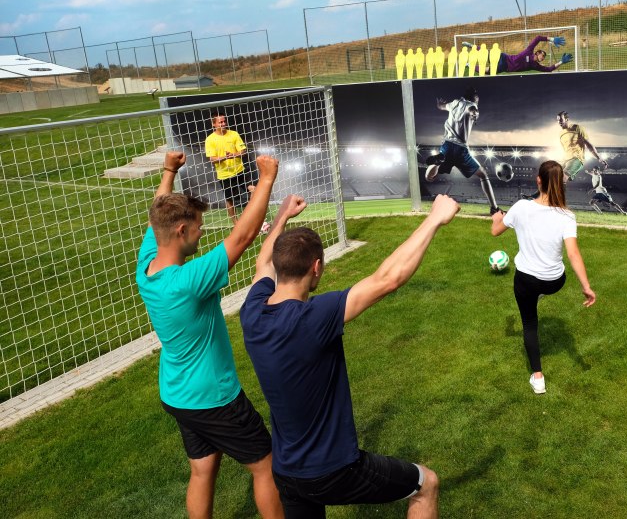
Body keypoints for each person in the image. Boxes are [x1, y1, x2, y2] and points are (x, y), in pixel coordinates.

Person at [240, 193, 460, 518]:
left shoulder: (252, 312)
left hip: (287, 472)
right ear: (316, 268)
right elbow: (388, 279)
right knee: (426, 483)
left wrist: (283, 216)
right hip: (333, 470)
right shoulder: (315, 317)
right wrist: (434, 219)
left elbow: (263, 263)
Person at [135, 151, 283, 518]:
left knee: (202, 469)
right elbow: (243, 235)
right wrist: (265, 180)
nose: (203, 230)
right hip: (214, 398)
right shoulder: (188, 282)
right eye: (199, 225)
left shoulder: (147, 266)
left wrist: (169, 172)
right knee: (266, 466)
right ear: (182, 231)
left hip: (176, 393)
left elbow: (158, 214)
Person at [491, 160, 596, 394]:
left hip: (527, 280)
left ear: (538, 180)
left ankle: (538, 378)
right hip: (554, 282)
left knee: (530, 325)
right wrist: (586, 286)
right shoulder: (567, 216)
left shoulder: (520, 207)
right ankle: (539, 293)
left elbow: (495, 231)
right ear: (559, 183)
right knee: (543, 284)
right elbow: (573, 253)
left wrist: (497, 219)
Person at [424, 87, 502, 215]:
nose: (478, 102)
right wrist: (474, 113)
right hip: (461, 149)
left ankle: (438, 162)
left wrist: (439, 104)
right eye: (477, 99)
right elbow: (472, 110)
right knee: (483, 175)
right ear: (474, 98)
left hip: (447, 145)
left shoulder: (454, 103)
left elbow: (441, 106)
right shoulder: (472, 106)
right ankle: (494, 208)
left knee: (429, 178)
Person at [523, 111, 601, 200]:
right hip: (565, 159)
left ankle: (559, 202)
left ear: (567, 119)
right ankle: (537, 196)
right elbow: (566, 149)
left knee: (562, 177)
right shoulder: (561, 134)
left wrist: (599, 157)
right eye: (557, 120)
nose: (559, 122)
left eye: (561, 120)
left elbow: (589, 145)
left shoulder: (577, 128)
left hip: (577, 159)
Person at [205, 114, 253, 225]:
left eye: (224, 121)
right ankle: (236, 223)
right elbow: (212, 159)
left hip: (240, 171)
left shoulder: (234, 134)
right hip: (225, 175)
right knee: (230, 200)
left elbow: (243, 151)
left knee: (253, 190)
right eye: (220, 122)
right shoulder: (210, 139)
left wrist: (233, 154)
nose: (223, 124)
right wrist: (224, 157)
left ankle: (251, 216)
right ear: (214, 124)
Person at [465, 35, 573, 73]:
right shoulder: (529, 51)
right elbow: (538, 38)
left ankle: (469, 65)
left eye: (544, 57)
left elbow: (549, 69)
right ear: (537, 52)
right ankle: (471, 46)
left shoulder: (535, 66)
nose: (543, 58)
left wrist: (561, 62)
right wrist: (552, 39)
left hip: (504, 67)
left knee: (487, 71)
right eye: (542, 55)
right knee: (487, 53)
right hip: (504, 57)